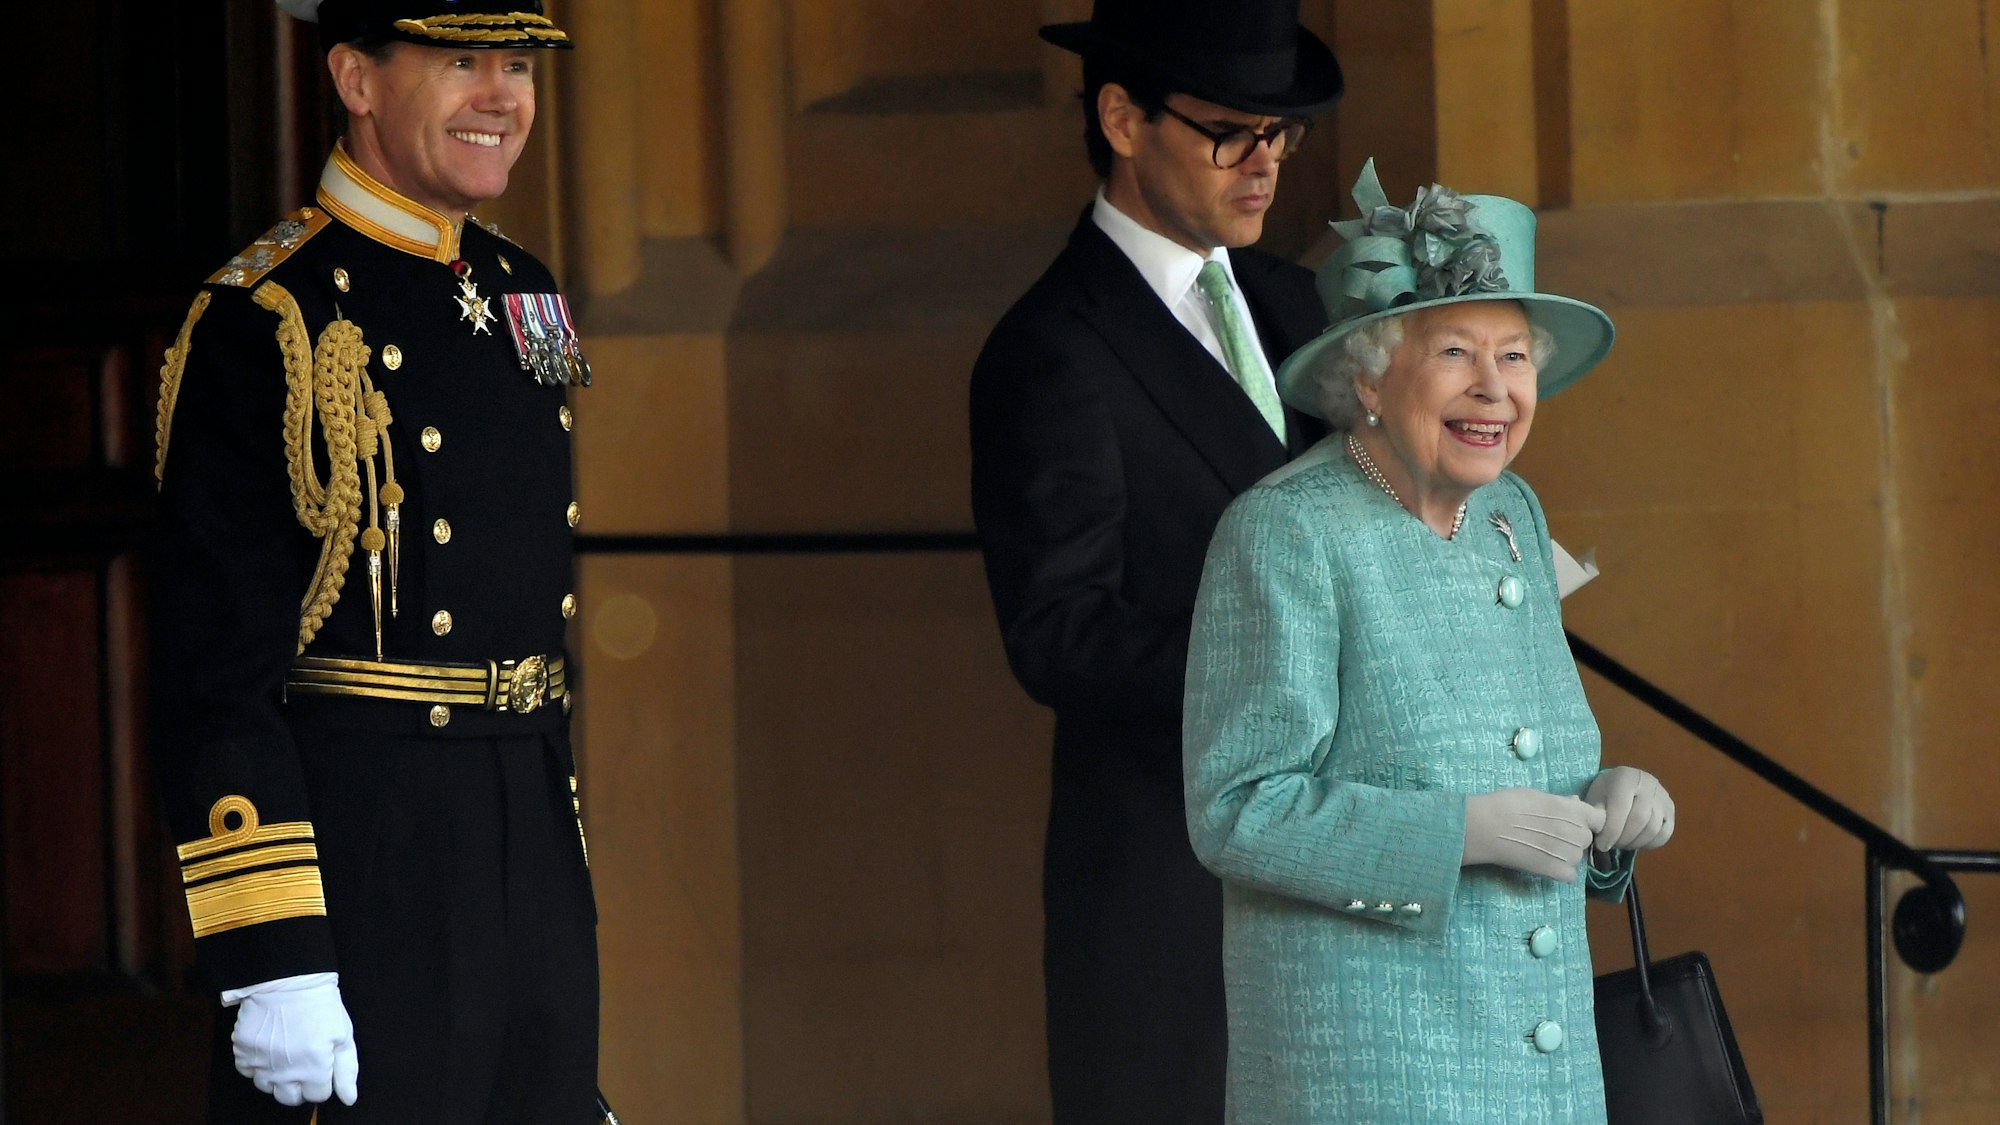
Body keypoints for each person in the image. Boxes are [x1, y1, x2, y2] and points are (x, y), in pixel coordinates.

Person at [150, 2, 598, 1120]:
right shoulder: (269, 315)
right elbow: (217, 671)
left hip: (526, 843)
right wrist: (276, 955)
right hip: (373, 858)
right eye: (461, 63)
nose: (501, 96)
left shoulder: (527, 290)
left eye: (515, 65)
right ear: (355, 77)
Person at [1182, 159, 1677, 1123]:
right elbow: (1236, 806)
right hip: (1374, 1068)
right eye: (1455, 352)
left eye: (1516, 357)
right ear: (1367, 372)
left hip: (1540, 1061)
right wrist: (1461, 834)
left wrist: (1608, 809)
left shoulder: (1512, 516)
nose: (1492, 390)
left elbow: (1518, 759)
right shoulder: (1287, 531)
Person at [967, 1, 1343, 1118]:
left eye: (1279, 135)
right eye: (1229, 131)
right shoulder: (1049, 347)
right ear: (1121, 118)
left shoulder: (1294, 301)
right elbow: (1059, 636)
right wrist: (1303, 662)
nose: (1263, 163)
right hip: (1172, 886)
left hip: (1342, 862)